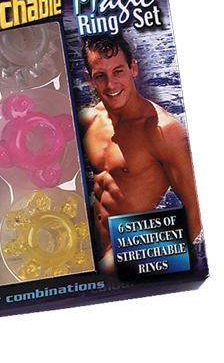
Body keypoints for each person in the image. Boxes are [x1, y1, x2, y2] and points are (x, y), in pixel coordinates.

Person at [80, 33, 202, 273]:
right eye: (100, 76)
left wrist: (136, 263)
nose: (111, 85)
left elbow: (196, 213)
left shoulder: (163, 131)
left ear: (133, 68)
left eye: (118, 71)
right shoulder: (89, 119)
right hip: (89, 248)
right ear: (89, 79)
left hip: (127, 255)